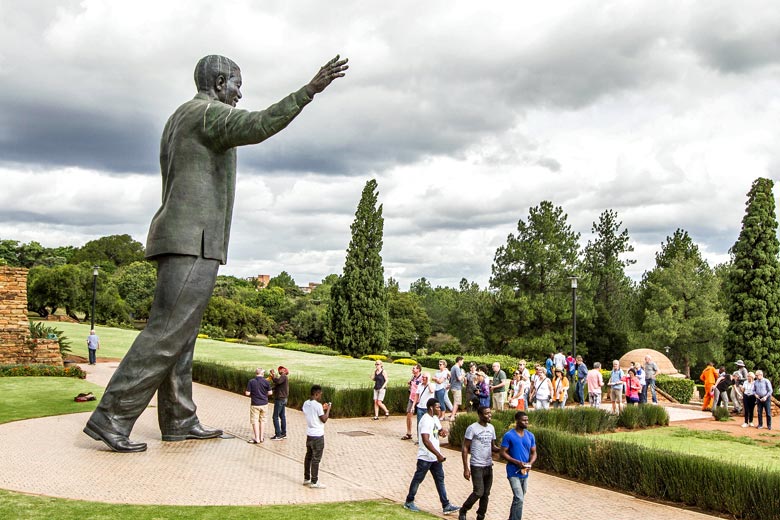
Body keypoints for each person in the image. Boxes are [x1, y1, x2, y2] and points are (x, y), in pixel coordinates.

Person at [83, 54, 348, 453]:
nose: (241, 93)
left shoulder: (181, 116)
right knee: (167, 332)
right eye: (237, 84)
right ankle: (112, 416)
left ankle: (178, 418)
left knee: (181, 335)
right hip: (193, 240)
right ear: (220, 81)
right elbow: (260, 125)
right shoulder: (207, 113)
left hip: (181, 237)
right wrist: (308, 91)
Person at [403, 398, 460, 515]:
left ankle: (446, 505)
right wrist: (438, 454)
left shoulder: (434, 418)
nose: (440, 409)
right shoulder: (425, 420)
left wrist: (442, 432)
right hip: (425, 457)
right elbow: (425, 440)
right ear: (431, 408)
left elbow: (438, 430)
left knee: (440, 480)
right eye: (438, 407)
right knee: (418, 479)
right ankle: (409, 501)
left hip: (435, 458)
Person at [460, 406, 499, 520]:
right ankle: (464, 509)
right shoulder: (472, 428)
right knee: (478, 492)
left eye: (490, 413)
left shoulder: (491, 428)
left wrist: (503, 450)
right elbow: (465, 448)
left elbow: (493, 447)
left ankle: (481, 515)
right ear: (480, 415)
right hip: (476, 465)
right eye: (487, 414)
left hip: (488, 465)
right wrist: (466, 468)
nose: (489, 415)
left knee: (486, 493)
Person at [500, 412, 537, 520]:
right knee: (519, 498)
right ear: (517, 421)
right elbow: (502, 452)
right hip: (513, 471)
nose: (526, 422)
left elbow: (534, 452)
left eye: (527, 420)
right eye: (524, 420)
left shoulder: (530, 436)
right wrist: (516, 462)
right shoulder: (509, 435)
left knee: (519, 498)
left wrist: (530, 463)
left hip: (525, 472)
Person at [303, 385, 330, 488]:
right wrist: (328, 409)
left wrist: (322, 409)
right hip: (318, 435)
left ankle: (307, 478)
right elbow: (324, 419)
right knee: (316, 459)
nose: (320, 396)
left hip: (309, 434)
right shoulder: (318, 405)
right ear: (316, 394)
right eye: (320, 394)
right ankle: (314, 481)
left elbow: (312, 413)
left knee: (308, 456)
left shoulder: (306, 403)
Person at [245, 368, 271, 444]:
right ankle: (261, 437)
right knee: (262, 421)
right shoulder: (266, 381)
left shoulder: (251, 381)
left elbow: (247, 393)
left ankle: (257, 438)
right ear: (262, 374)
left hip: (255, 404)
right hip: (264, 404)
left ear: (256, 373)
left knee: (255, 421)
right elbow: (270, 392)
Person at [402, 364, 423, 440]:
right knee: (408, 415)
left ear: (418, 370)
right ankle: (409, 433)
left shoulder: (421, 378)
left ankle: (420, 436)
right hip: (411, 398)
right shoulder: (413, 377)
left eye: (414, 368)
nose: (412, 370)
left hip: (420, 400)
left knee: (421, 418)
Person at [269, 366, 289, 440]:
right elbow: (276, 385)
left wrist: (273, 376)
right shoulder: (283, 378)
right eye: (279, 369)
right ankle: (283, 433)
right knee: (282, 416)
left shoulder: (283, 376)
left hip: (280, 399)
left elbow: (277, 381)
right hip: (283, 399)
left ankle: (278, 434)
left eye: (281, 369)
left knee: (275, 417)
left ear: (284, 370)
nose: (279, 370)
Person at [449, 356, 465, 421]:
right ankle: (452, 416)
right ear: (459, 361)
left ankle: (453, 414)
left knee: (455, 402)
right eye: (462, 361)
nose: (463, 363)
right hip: (457, 387)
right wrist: (463, 374)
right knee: (457, 403)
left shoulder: (453, 367)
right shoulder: (457, 368)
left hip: (453, 387)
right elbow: (459, 378)